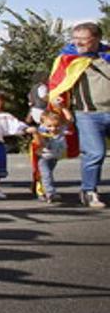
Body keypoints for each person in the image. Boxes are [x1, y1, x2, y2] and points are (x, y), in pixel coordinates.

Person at [48, 22, 110, 208]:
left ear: (97, 38)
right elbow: (56, 82)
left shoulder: (106, 56)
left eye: (83, 40)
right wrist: (58, 99)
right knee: (95, 153)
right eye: (75, 39)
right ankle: (89, 191)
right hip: (88, 114)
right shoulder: (68, 58)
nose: (78, 44)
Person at [34, 109, 72, 204]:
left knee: (45, 175)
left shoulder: (61, 129)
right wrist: (37, 134)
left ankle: (40, 190)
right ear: (43, 124)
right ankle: (50, 193)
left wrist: (63, 108)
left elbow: (70, 120)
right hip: (44, 158)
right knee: (46, 175)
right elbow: (39, 141)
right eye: (49, 126)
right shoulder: (43, 132)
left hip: (54, 157)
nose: (53, 129)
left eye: (56, 126)